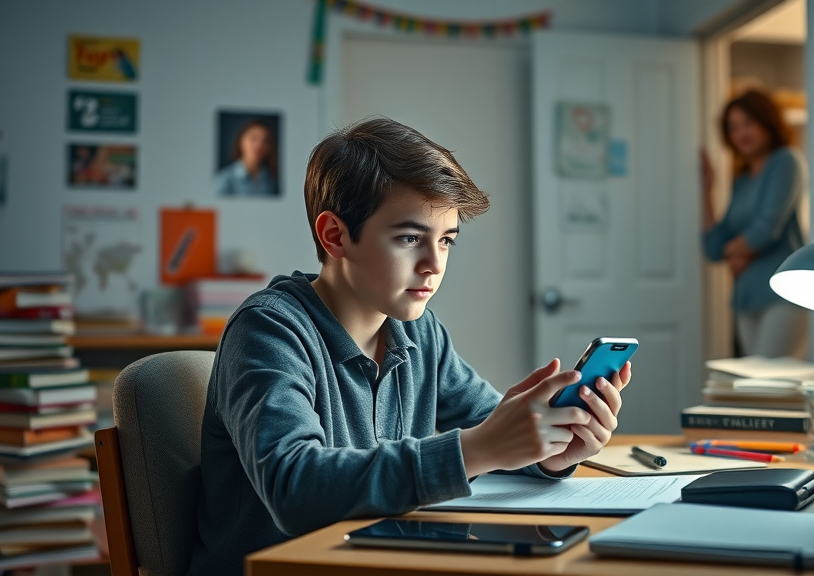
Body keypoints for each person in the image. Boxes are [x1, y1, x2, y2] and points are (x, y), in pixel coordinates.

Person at [188, 118, 630, 575]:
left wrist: (549, 453)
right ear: (335, 235)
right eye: (409, 239)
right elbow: (295, 488)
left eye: (446, 241)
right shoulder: (266, 330)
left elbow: (491, 431)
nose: (434, 265)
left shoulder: (420, 333)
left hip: (375, 562)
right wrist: (477, 449)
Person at [700, 89, 808, 358]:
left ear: (767, 122)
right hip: (746, 296)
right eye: (734, 127)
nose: (741, 133)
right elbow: (713, 247)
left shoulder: (786, 161)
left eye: (748, 122)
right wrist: (707, 191)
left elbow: (764, 231)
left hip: (784, 291)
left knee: (769, 381)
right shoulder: (742, 180)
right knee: (753, 383)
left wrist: (739, 249)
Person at [216, 119, 279, 197]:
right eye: (253, 138)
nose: (259, 145)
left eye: (265, 141)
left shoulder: (272, 179)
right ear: (240, 141)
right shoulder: (224, 178)